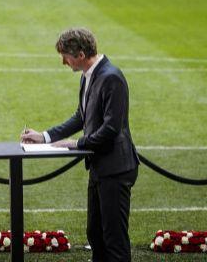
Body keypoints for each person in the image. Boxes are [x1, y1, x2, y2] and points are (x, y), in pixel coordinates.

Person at [20, 28, 139, 262]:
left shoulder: (111, 77)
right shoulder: (89, 75)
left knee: (113, 238)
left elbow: (111, 129)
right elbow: (81, 117)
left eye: (66, 56)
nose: (64, 62)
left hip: (116, 169)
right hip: (99, 167)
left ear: (81, 54)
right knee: (95, 234)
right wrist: (44, 136)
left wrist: (76, 144)